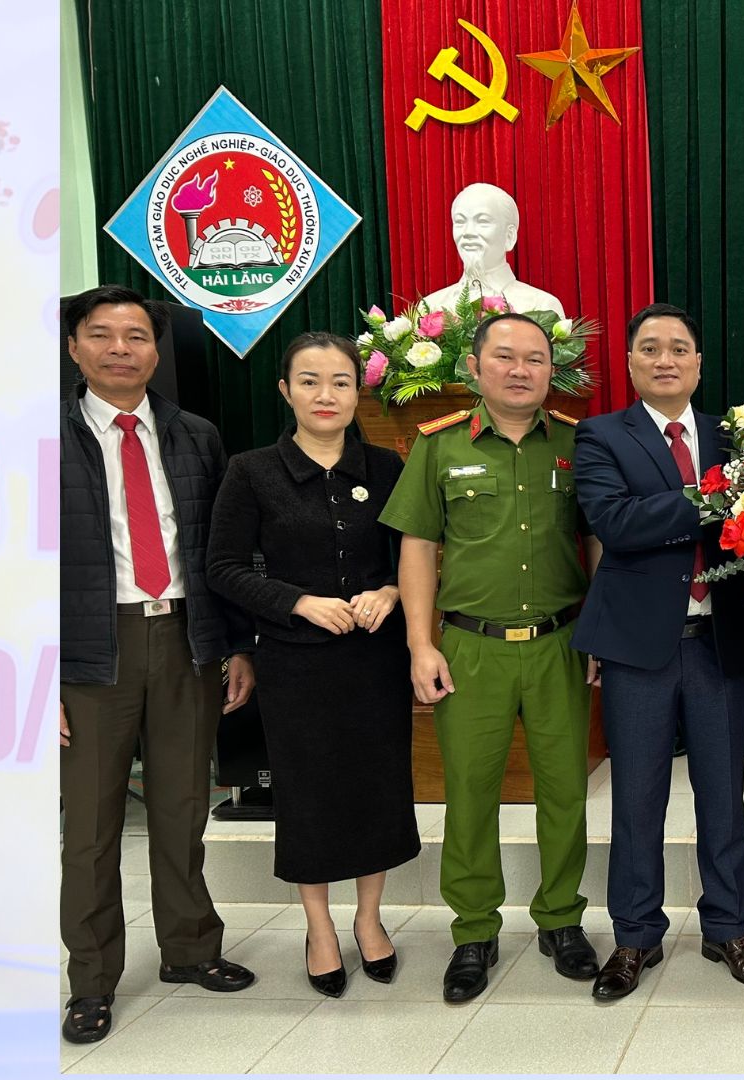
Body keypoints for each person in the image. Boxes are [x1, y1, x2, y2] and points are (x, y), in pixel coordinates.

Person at [378, 312, 602, 1002]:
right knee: (470, 793)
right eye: (505, 356)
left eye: (535, 358)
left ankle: (561, 918)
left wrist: (601, 633)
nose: (520, 370)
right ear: (474, 367)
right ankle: (474, 930)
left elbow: (597, 541)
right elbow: (418, 547)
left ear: (552, 371)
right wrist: (420, 643)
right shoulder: (439, 445)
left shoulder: (576, 443)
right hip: (471, 648)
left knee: (564, 791)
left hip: (560, 644)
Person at [59, 285, 258, 1044]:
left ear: (155, 349)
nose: (120, 349)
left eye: (136, 336)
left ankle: (190, 949)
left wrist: (235, 644)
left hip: (185, 638)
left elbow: (220, 552)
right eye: (101, 334)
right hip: (89, 650)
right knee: (91, 828)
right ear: (74, 347)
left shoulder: (195, 435)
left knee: (182, 808)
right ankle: (92, 980)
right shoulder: (37, 440)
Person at [571, 303, 744, 1000]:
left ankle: (729, 928)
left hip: (719, 642)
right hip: (638, 648)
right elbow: (615, 523)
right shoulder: (602, 434)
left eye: (679, 348)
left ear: (698, 362)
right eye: (651, 348)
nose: (666, 359)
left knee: (724, 796)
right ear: (630, 362)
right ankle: (635, 936)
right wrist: (717, 496)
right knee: (636, 799)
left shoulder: (738, 436)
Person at [205, 331, 419, 998]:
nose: (326, 395)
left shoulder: (387, 467)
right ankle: (318, 926)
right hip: (296, 665)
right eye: (310, 381)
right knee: (310, 796)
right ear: (285, 390)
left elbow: (411, 557)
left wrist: (391, 592)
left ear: (359, 393)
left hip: (374, 660)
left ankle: (369, 918)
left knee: (378, 790)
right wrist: (297, 602)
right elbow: (223, 567)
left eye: (341, 383)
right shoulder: (251, 471)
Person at [420, 183, 566, 318]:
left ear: (509, 236)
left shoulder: (541, 306)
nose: (468, 232)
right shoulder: (430, 307)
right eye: (460, 221)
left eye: (482, 221)